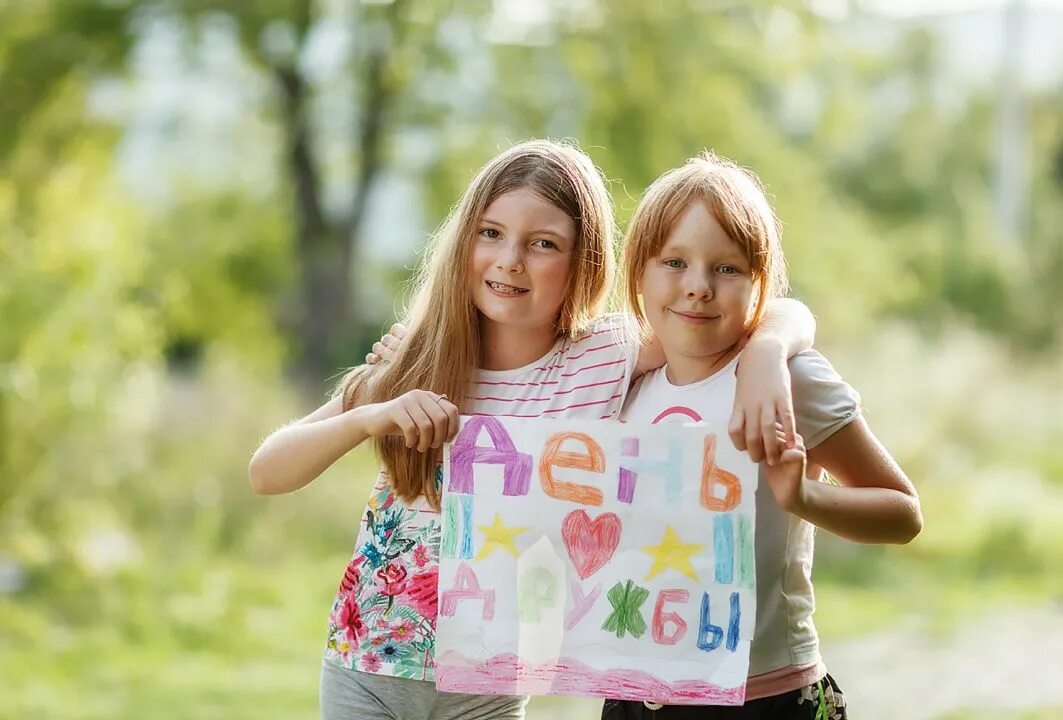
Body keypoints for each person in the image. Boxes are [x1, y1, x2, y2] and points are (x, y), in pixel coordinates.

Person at [249, 140, 817, 720]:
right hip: (365, 670)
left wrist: (769, 352)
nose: (509, 261)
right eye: (490, 233)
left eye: (543, 244)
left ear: (584, 261)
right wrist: (371, 412)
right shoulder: (417, 357)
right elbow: (267, 471)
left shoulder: (607, 355)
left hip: (487, 688)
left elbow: (762, 311)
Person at [603, 153, 923, 720]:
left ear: (760, 283)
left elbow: (902, 514)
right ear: (638, 273)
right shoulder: (623, 383)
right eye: (674, 261)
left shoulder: (790, 380)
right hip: (638, 697)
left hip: (769, 696)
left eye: (727, 269)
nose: (698, 287)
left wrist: (802, 498)